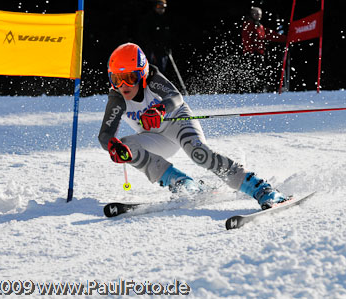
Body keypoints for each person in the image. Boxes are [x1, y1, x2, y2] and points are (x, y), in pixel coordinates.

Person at [98, 43, 288, 210]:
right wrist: (112, 147)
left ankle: (261, 188)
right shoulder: (117, 98)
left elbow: (176, 97)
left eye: (130, 77)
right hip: (155, 137)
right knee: (126, 146)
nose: (123, 85)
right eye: (116, 79)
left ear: (142, 73)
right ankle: (182, 183)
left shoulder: (153, 80)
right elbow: (105, 134)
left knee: (200, 154)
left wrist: (160, 110)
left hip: (177, 122)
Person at [241, 7, 287, 92]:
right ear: (252, 14)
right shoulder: (248, 24)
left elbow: (270, 34)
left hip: (259, 53)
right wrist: (250, 51)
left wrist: (285, 39)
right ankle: (253, 89)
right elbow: (246, 38)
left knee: (262, 71)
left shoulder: (259, 26)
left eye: (260, 14)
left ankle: (262, 88)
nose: (259, 16)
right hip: (252, 53)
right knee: (255, 72)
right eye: (256, 14)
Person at [136, 0, 172, 73]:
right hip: (152, 50)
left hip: (163, 50)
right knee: (152, 68)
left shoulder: (166, 19)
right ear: (155, 6)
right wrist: (150, 46)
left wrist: (168, 46)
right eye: (159, 6)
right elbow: (143, 34)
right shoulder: (149, 18)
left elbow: (168, 35)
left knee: (162, 69)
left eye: (163, 7)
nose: (161, 9)